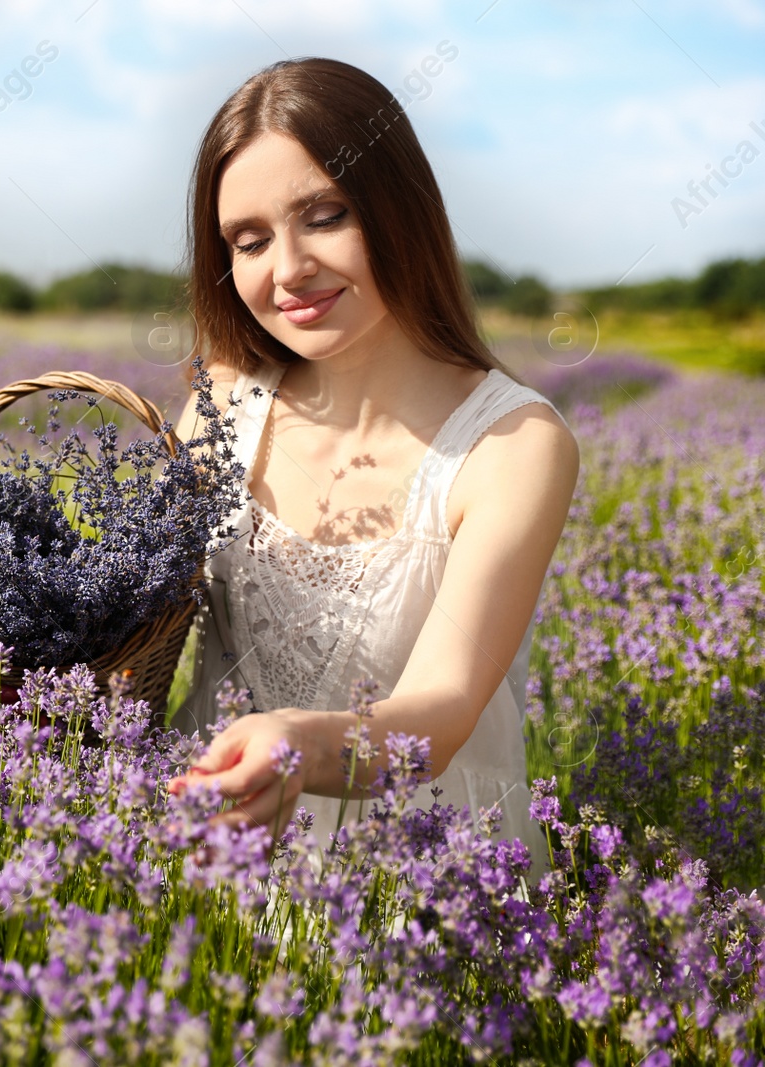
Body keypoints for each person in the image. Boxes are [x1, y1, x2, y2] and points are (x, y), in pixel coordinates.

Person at [165, 57, 579, 869]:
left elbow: (442, 710)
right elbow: (139, 635)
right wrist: (29, 664)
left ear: (398, 208)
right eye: (248, 240)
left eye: (323, 216)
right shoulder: (219, 407)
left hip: (422, 896)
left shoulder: (514, 446)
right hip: (206, 856)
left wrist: (297, 745)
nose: (286, 270)